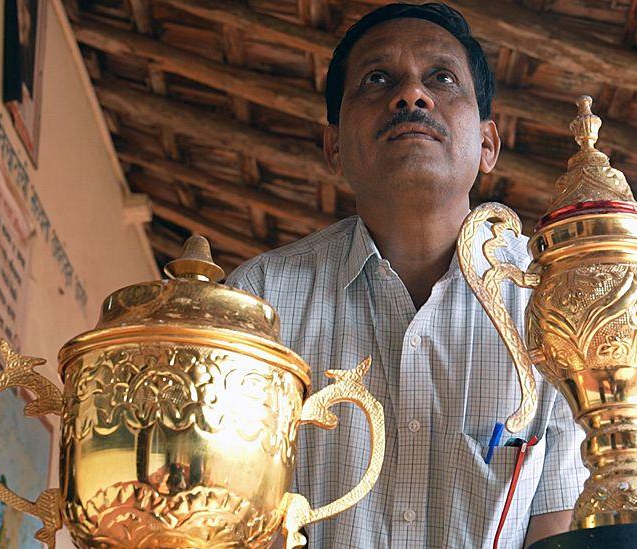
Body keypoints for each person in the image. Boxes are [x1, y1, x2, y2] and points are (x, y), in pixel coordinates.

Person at [227, 3, 587, 547]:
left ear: (488, 143)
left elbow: (559, 528)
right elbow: (234, 513)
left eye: (441, 78)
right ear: (334, 148)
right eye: (378, 79)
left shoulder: (554, 299)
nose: (411, 96)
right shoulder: (259, 303)